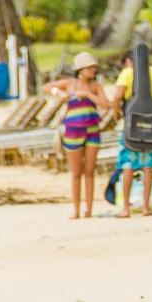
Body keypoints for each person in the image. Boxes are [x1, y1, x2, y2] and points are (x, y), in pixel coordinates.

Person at [42, 52, 110, 219]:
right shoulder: (69, 83)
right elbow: (46, 87)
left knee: (89, 170)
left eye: (94, 67)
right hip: (73, 131)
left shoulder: (95, 86)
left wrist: (87, 95)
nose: (94, 70)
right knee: (76, 172)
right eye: (90, 68)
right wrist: (59, 93)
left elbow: (106, 104)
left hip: (92, 130)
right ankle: (76, 210)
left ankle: (89, 210)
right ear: (81, 69)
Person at [111, 53, 152, 218]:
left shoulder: (128, 72)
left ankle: (126, 208)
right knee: (147, 165)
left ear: (129, 61)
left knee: (127, 164)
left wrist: (116, 114)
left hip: (130, 123)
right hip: (150, 123)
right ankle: (146, 207)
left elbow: (118, 96)